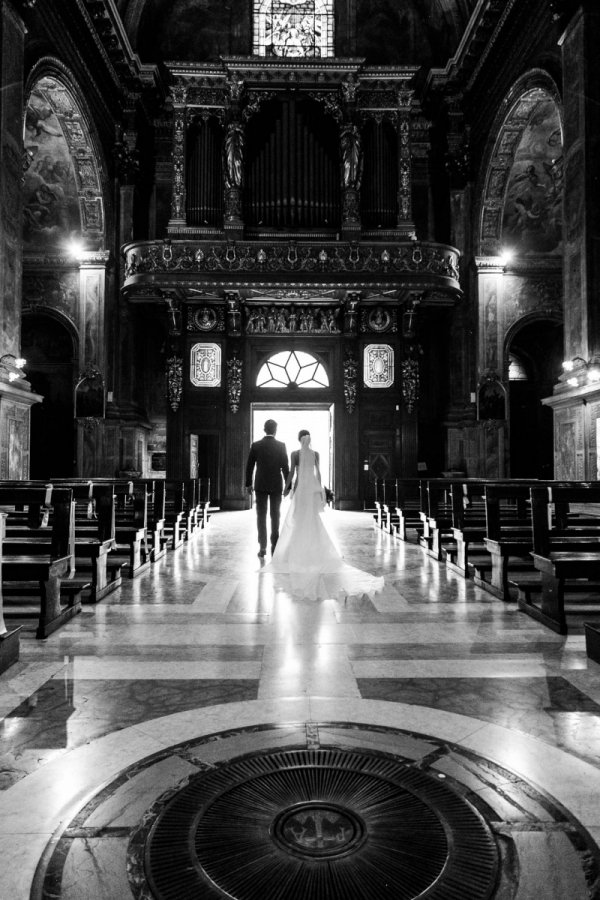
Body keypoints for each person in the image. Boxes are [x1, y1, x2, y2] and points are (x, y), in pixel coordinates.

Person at [262, 430, 384, 601]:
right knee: (312, 519)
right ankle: (313, 550)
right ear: (309, 439)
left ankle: (296, 552)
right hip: (311, 488)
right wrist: (320, 491)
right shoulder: (316, 454)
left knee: (297, 520)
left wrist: (287, 487)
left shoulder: (295, 454)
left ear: (299, 440)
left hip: (301, 489)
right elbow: (318, 473)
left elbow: (291, 473)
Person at [245, 419, 290, 558]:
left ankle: (262, 547)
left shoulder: (256, 445)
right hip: (276, 485)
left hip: (260, 484)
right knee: (275, 515)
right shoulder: (281, 446)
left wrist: (248, 484)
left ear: (264, 429)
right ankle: (275, 545)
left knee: (261, 515)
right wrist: (288, 486)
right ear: (275, 430)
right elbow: (285, 468)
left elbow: (249, 466)